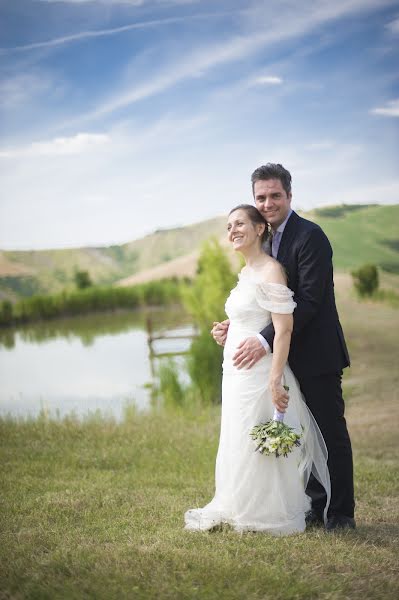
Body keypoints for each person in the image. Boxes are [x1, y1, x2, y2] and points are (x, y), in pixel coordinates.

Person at [212, 164, 355, 531]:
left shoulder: (310, 237)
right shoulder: (265, 241)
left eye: (275, 195)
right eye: (261, 197)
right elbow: (268, 302)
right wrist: (240, 326)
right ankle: (312, 505)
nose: (268, 202)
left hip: (316, 355)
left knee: (328, 433)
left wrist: (262, 339)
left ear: (290, 196)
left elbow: (309, 302)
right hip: (282, 357)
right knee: (299, 433)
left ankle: (340, 514)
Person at [184, 205, 330, 535]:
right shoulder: (247, 272)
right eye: (228, 226)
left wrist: (276, 379)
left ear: (259, 229)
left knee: (256, 438)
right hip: (235, 373)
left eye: (239, 224)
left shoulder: (271, 271)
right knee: (238, 436)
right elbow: (251, 318)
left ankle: (267, 512)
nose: (232, 230)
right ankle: (239, 503)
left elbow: (283, 330)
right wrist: (228, 330)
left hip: (260, 374)